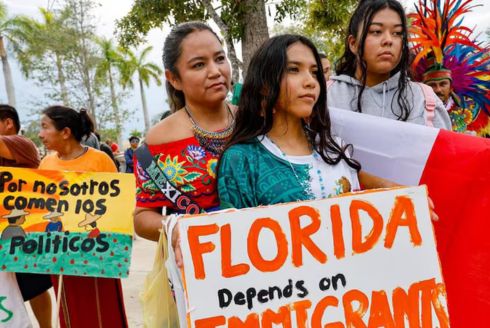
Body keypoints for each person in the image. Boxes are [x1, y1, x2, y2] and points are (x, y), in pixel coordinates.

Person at [218, 34, 399, 210]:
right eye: (294, 69)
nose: (311, 82)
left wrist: (404, 198)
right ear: (264, 85)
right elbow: (236, 236)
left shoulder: (335, 148)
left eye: (314, 73)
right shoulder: (241, 160)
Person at [133, 21, 234, 242]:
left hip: (272, 261)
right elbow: (142, 218)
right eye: (199, 65)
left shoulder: (257, 121)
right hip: (200, 265)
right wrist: (177, 229)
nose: (215, 71)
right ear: (174, 79)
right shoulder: (159, 141)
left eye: (219, 59)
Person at [38, 105, 127, 328]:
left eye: (45, 127)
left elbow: (117, 208)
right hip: (61, 253)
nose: (40, 134)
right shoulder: (46, 163)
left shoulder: (100, 161)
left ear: (65, 132)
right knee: (69, 309)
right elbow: (41, 209)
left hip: (98, 252)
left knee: (102, 310)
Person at [327, 0, 452, 129]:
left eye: (397, 33)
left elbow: (444, 148)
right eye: (376, 31)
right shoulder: (327, 95)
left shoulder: (425, 100)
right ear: (353, 43)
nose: (388, 40)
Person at [0, 104, 53, 328]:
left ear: (8, 123)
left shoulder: (21, 144)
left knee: (34, 287)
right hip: (5, 228)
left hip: (24, 228)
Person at [408, 0, 490, 134]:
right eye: (432, 85)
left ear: (451, 86)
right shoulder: (414, 112)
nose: (438, 89)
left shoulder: (471, 109)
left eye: (443, 84)